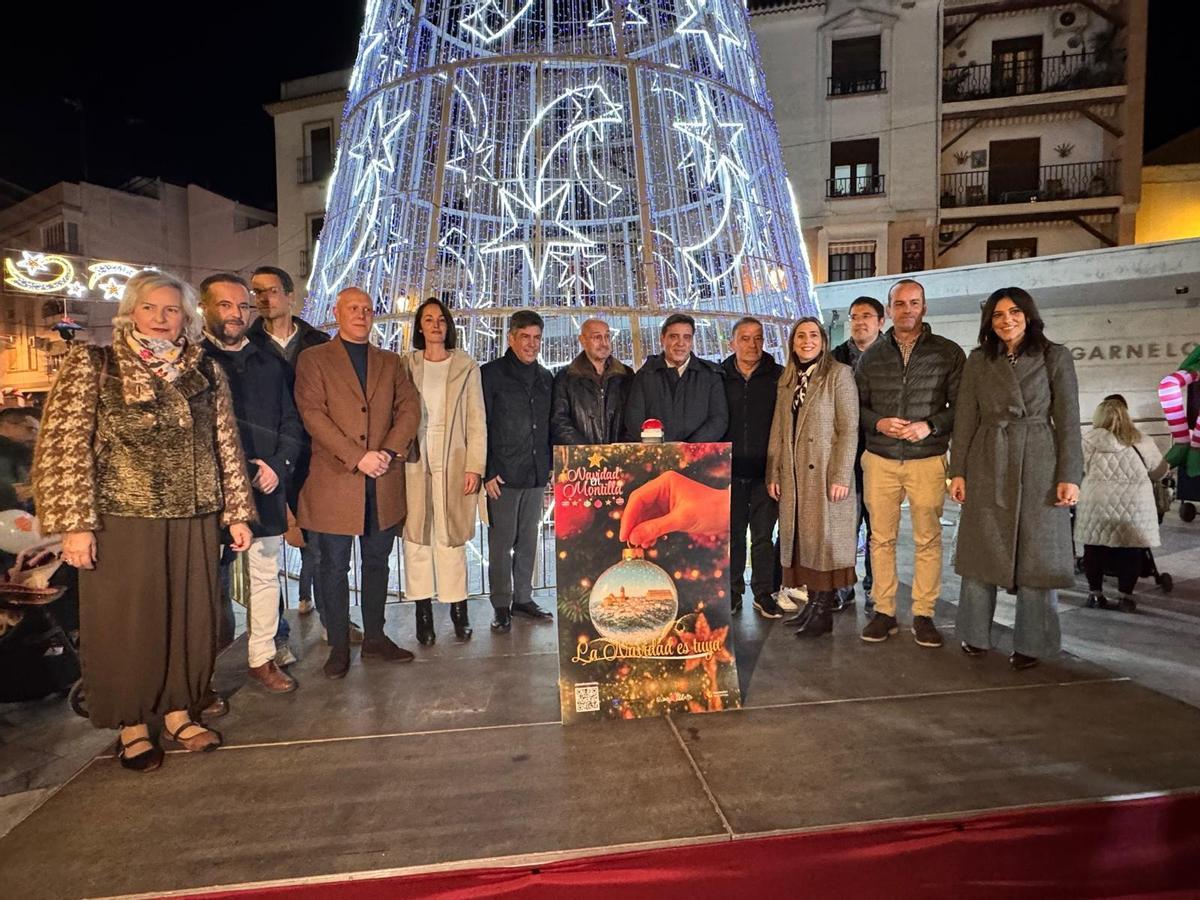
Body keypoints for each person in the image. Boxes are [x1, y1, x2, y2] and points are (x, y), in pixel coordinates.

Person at [31, 269, 255, 772]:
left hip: (193, 515)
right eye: (150, 307)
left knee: (190, 618)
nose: (160, 318)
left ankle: (178, 711)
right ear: (131, 311)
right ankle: (132, 723)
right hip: (122, 517)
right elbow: (64, 447)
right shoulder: (96, 363)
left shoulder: (205, 370)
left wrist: (237, 513)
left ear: (186, 317)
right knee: (127, 622)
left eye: (171, 309)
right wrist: (75, 524)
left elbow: (224, 444)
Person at [950, 287, 1082, 669]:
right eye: (997, 315)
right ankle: (975, 633)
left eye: (1014, 312)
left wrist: (1070, 475)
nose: (1006, 320)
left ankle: (1032, 643)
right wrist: (957, 471)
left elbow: (1068, 420)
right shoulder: (979, 360)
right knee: (981, 547)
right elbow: (965, 418)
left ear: (1028, 315)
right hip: (988, 456)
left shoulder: (1055, 356)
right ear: (989, 321)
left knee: (1038, 554)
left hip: (1039, 458)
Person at [293, 287, 420, 679]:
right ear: (337, 312)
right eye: (353, 308)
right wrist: (357, 456)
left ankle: (376, 637)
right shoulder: (314, 359)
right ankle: (338, 645)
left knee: (378, 563)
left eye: (367, 308)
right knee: (333, 567)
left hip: (381, 480)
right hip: (335, 480)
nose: (361, 314)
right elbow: (312, 414)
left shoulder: (391, 361)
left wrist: (388, 451)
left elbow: (409, 408)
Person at [200, 273, 303, 693]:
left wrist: (278, 465)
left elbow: (291, 421)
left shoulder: (269, 362)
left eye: (243, 306)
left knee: (265, 577)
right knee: (206, 586)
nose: (236, 314)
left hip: (266, 488)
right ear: (205, 308)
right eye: (225, 305)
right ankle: (200, 674)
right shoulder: (193, 363)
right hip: (210, 494)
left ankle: (262, 657)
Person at [856, 279, 965, 648]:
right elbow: (858, 407)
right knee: (880, 538)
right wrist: (878, 423)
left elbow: (962, 407)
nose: (907, 310)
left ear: (924, 307)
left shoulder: (948, 353)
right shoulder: (871, 356)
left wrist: (929, 425)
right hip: (880, 458)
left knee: (928, 539)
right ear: (889, 311)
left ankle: (923, 613)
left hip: (927, 458)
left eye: (914, 303)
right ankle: (884, 611)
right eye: (899, 304)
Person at [247, 266, 331, 628]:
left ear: (290, 295)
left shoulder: (318, 342)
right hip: (266, 458)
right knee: (265, 554)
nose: (264, 299)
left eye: (272, 291)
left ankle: (332, 622)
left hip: (314, 457)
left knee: (322, 547)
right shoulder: (247, 345)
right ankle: (274, 634)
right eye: (257, 292)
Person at [766, 317, 859, 637]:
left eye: (814, 335)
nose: (807, 341)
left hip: (825, 474)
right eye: (801, 336)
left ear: (823, 340)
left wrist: (841, 475)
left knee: (824, 542)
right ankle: (812, 607)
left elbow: (849, 429)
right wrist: (774, 472)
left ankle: (823, 611)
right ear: (792, 343)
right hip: (794, 477)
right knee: (803, 543)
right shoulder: (788, 379)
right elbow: (778, 430)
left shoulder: (838, 374)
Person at [401, 298, 486, 645]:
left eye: (441, 319)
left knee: (450, 534)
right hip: (415, 456)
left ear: (448, 325)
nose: (435, 325)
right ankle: (422, 611)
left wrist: (475, 466)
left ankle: (458, 609)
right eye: (428, 319)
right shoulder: (407, 364)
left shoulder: (465, 366)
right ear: (420, 326)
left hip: (454, 455)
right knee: (417, 533)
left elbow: (477, 420)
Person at [481, 311, 555, 632]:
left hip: (535, 472)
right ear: (511, 338)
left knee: (528, 540)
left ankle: (523, 598)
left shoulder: (546, 378)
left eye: (537, 338)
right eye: (525, 337)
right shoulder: (490, 374)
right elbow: (480, 424)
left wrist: (548, 465)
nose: (531, 344)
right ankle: (501, 604)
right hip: (503, 476)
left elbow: (548, 424)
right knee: (501, 543)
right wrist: (487, 470)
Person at [1075, 395, 1167, 613]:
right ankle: (1126, 597)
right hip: (1134, 506)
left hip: (1095, 504)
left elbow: (1076, 470)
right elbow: (1159, 472)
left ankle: (1095, 595)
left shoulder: (1087, 441)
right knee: (1131, 550)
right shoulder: (1142, 441)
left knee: (1094, 548)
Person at [720, 317, 783, 617]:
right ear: (732, 342)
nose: (752, 344)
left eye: (758, 338)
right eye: (744, 338)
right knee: (732, 536)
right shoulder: (718, 376)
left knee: (762, 536)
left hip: (765, 474)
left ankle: (763, 592)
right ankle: (732, 592)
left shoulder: (779, 376)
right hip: (729, 472)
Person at [830, 296, 884, 611]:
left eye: (867, 316)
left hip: (881, 454)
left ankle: (876, 588)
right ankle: (843, 587)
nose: (860, 322)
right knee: (844, 527)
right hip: (845, 459)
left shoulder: (892, 356)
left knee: (879, 530)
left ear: (881, 321)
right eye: (854, 316)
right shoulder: (835, 358)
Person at [625, 313, 728, 443]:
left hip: (698, 453)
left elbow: (718, 420)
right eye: (674, 336)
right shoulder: (645, 375)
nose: (681, 343)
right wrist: (663, 448)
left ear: (692, 341)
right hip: (656, 452)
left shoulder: (711, 375)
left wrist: (688, 448)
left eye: (687, 337)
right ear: (662, 339)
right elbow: (634, 420)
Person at [551, 318, 632, 445]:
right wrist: (589, 452)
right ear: (582, 340)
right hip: (581, 455)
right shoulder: (566, 378)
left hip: (620, 455)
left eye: (607, 336)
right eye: (597, 337)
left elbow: (633, 420)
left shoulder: (626, 375)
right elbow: (560, 422)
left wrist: (618, 451)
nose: (604, 343)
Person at [0, 407, 38, 511]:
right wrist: (11, 493)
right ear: (7, 426)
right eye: (31, 429)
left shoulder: (22, 454)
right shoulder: (18, 453)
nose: (35, 437)